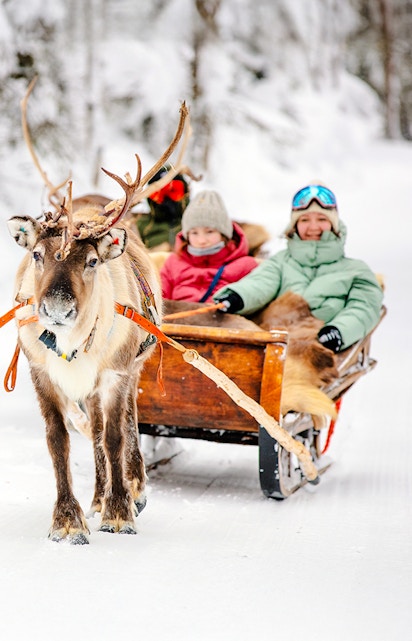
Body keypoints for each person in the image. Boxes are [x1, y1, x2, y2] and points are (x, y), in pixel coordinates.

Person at [213, 183, 384, 352]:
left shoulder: (356, 271)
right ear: (295, 225)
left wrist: (338, 331)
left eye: (322, 219)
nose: (313, 227)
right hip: (274, 345)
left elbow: (363, 308)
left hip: (317, 350)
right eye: (305, 220)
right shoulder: (280, 262)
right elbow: (260, 283)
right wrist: (237, 296)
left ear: (334, 224)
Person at [160, 189, 259, 303]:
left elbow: (254, 296)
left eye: (209, 232)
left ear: (223, 234)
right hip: (176, 318)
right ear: (186, 236)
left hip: (224, 319)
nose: (201, 240)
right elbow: (160, 298)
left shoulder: (246, 266)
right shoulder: (173, 263)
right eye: (194, 233)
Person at [136, 164, 190, 250]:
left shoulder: (196, 226)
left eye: (174, 191)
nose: (166, 199)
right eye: (158, 193)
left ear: (186, 193)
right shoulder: (138, 227)